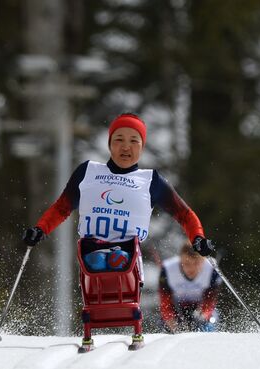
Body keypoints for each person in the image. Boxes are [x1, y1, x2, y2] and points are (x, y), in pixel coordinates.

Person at [22, 113, 215, 351]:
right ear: (110, 144)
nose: (126, 147)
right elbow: (62, 207)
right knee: (95, 264)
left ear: (142, 147)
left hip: (128, 255)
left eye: (134, 141)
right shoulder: (88, 172)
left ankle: (133, 322)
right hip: (91, 251)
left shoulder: (150, 180)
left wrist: (197, 238)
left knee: (121, 263)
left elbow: (185, 214)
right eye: (119, 139)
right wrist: (40, 229)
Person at [159, 242, 222, 333]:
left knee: (207, 326)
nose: (191, 268)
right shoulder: (167, 269)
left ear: (203, 260)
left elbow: (210, 301)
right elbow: (165, 301)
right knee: (167, 327)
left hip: (200, 307)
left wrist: (202, 316)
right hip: (176, 307)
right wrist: (175, 328)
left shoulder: (212, 270)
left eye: (196, 263)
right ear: (180, 259)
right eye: (187, 263)